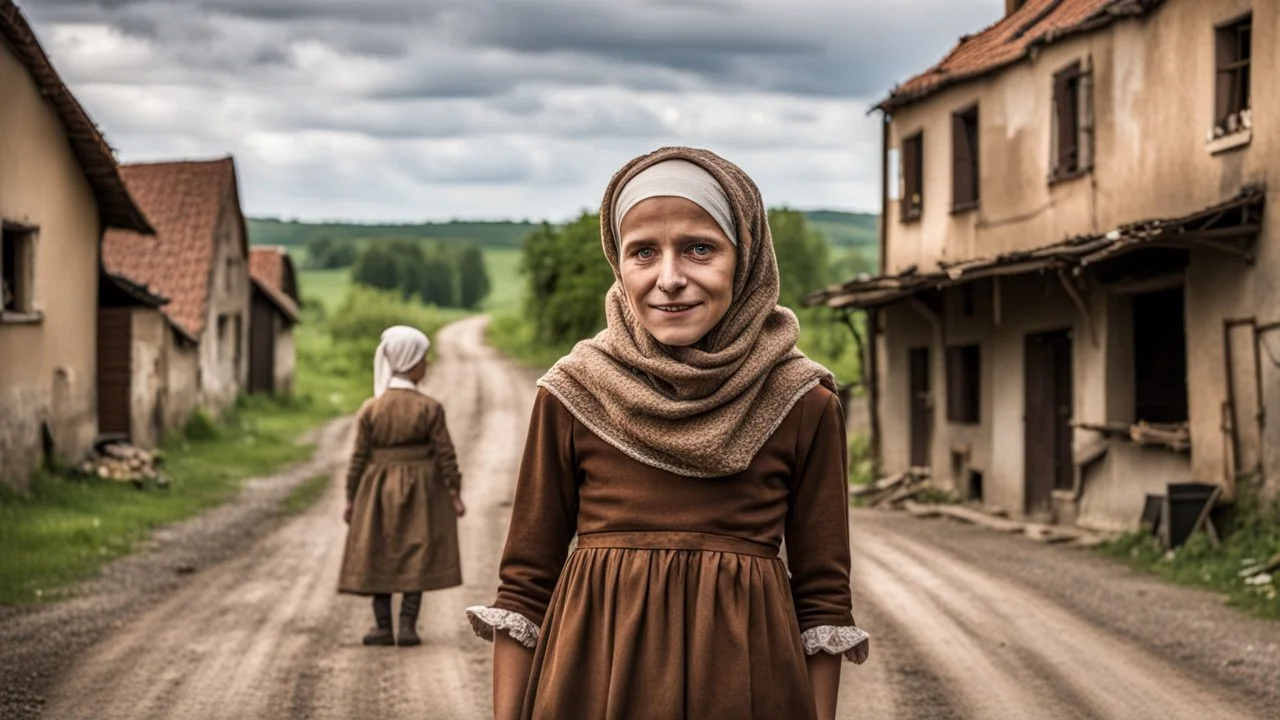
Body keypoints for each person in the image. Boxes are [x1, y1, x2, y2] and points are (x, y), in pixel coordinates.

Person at [465, 147, 869, 719]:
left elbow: (824, 599)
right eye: (643, 252)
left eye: (700, 248)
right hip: (592, 689)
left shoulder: (801, 402)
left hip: (747, 694)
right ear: (618, 262)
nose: (670, 278)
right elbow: (526, 585)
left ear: (747, 257)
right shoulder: (575, 393)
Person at [339, 325, 466, 647]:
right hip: (421, 490)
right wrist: (455, 492)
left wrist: (351, 497)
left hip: (376, 489)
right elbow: (445, 454)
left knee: (377, 551)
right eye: (423, 359)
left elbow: (358, 458)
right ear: (409, 362)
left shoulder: (371, 408)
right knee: (417, 551)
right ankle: (407, 626)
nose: (426, 365)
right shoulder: (429, 407)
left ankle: (383, 627)